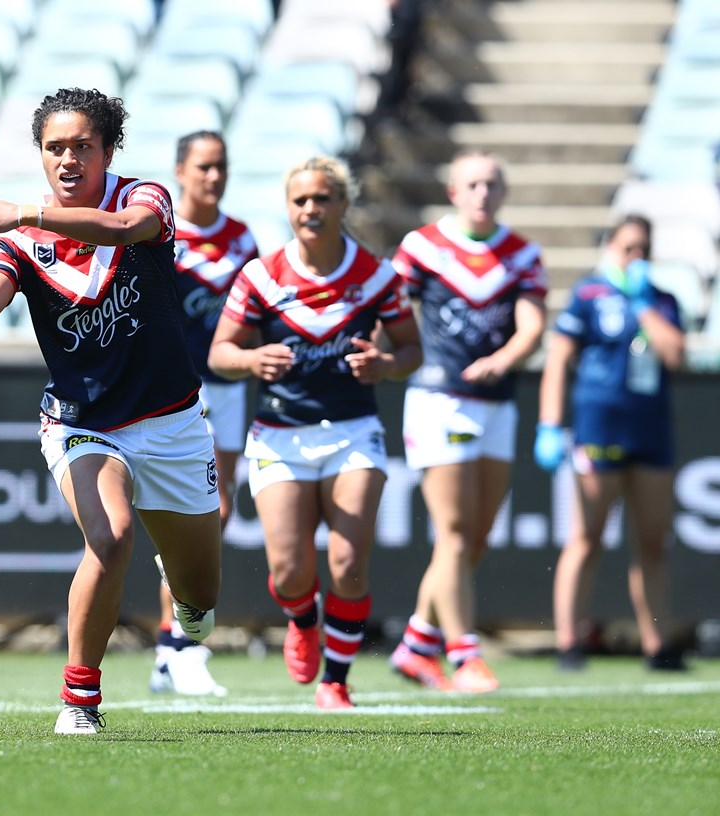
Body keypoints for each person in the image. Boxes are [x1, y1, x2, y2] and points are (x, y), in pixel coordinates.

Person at [0, 87, 222, 735]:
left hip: (171, 420)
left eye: (83, 146)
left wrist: (29, 213)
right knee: (109, 537)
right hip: (82, 421)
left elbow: (125, 230)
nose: (69, 158)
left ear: (109, 150)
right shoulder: (20, 242)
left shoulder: (145, 198)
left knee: (199, 598)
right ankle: (80, 700)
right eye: (56, 148)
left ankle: (186, 589)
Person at [207, 156, 423, 709]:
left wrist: (385, 363)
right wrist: (253, 360)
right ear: (288, 208)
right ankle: (302, 618)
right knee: (290, 568)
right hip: (280, 433)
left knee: (348, 564)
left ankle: (336, 680)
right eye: (300, 200)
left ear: (343, 205)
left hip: (354, 431)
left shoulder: (376, 275)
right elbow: (221, 354)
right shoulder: (260, 275)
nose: (311, 209)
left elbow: (411, 352)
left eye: (322, 199)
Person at [388, 150, 547, 693]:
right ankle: (465, 654)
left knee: (475, 538)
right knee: (453, 535)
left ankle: (416, 641)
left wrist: (506, 358)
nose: (484, 192)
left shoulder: (522, 253)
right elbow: (390, 310)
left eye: (493, 184)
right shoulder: (422, 246)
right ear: (454, 191)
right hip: (440, 398)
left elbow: (531, 326)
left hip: (498, 401)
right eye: (473, 183)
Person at [535, 214, 687, 672]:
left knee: (653, 541)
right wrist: (549, 422)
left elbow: (675, 355)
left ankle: (655, 643)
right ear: (610, 249)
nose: (635, 257)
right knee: (587, 537)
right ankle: (568, 641)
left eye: (643, 249)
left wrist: (643, 306)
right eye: (627, 248)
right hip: (599, 429)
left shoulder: (661, 301)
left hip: (649, 431)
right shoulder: (587, 295)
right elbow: (559, 358)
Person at [149, 130, 258, 699]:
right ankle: (184, 648)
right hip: (176, 389)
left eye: (222, 166)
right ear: (181, 170)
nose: (214, 177)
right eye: (204, 167)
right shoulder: (160, 231)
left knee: (217, 515)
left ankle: (172, 649)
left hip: (229, 387)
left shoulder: (241, 238)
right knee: (192, 516)